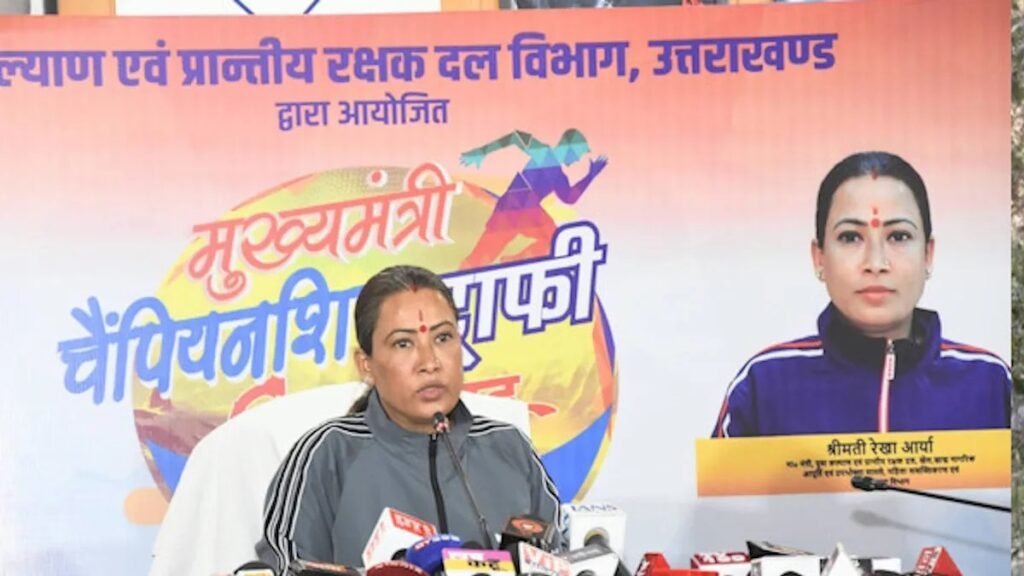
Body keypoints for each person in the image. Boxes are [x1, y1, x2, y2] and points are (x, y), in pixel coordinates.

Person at [256, 265, 561, 572]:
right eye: (403, 343)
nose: (429, 362)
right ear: (365, 364)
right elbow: (283, 568)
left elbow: (566, 559)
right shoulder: (326, 455)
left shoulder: (510, 448)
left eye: (443, 338)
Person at [713, 151, 1010, 437]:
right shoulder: (763, 385)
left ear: (928, 255)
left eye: (899, 236)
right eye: (850, 237)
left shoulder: (991, 384)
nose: (876, 263)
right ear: (819, 257)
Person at [458, 129, 607, 268]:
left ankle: (515, 262)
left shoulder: (559, 175)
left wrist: (590, 176)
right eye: (578, 154)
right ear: (569, 147)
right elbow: (515, 137)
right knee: (479, 259)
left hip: (529, 212)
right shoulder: (543, 152)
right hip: (511, 209)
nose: (577, 160)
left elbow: (569, 198)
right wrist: (482, 151)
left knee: (556, 241)